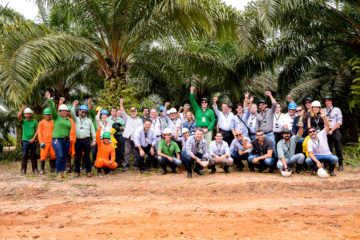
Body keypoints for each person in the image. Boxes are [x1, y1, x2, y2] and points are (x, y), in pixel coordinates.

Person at [305, 109, 338, 176]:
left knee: (335, 159)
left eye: (313, 131)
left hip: (327, 154)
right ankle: (315, 170)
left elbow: (328, 126)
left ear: (316, 131)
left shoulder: (321, 133)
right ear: (308, 134)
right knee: (308, 160)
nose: (312, 133)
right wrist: (318, 162)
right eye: (310, 132)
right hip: (317, 156)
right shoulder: (309, 141)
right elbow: (310, 154)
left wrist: (324, 117)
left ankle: (331, 170)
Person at [46, 92, 72, 179]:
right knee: (60, 155)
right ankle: (58, 173)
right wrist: (49, 100)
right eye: (62, 110)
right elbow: (53, 109)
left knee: (64, 156)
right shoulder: (56, 117)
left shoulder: (68, 120)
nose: (64, 112)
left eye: (65, 110)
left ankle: (63, 173)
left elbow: (69, 130)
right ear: (59, 111)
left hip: (66, 140)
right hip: (57, 140)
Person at [71, 101, 96, 177]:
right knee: (77, 157)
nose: (84, 113)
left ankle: (88, 171)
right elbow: (72, 113)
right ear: (79, 111)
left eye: (85, 112)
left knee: (87, 157)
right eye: (82, 111)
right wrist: (74, 105)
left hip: (86, 140)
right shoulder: (76, 119)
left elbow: (93, 131)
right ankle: (77, 172)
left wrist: (94, 140)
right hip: (78, 140)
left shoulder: (89, 121)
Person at [120, 99, 144, 170]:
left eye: (134, 112)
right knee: (127, 153)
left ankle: (135, 166)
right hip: (127, 138)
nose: (133, 113)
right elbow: (122, 111)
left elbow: (141, 130)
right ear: (130, 113)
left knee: (135, 153)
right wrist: (121, 103)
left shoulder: (140, 120)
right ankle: (126, 166)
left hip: (136, 139)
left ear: (136, 113)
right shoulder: (127, 118)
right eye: (131, 112)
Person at [323, 95, 344, 171]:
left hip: (335, 130)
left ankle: (341, 164)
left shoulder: (337, 109)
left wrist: (332, 130)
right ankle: (331, 164)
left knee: (338, 147)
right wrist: (327, 130)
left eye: (329, 100)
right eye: (326, 101)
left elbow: (339, 122)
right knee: (328, 148)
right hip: (326, 130)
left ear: (331, 101)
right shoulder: (323, 110)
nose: (327, 102)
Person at [17, 105, 38, 174]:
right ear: (25, 114)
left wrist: (33, 138)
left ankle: (35, 169)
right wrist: (22, 109)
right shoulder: (23, 121)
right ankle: (23, 170)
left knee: (33, 155)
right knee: (24, 155)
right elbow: (18, 116)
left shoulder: (34, 122)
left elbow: (37, 131)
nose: (28, 114)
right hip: (25, 141)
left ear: (31, 114)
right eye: (26, 113)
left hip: (33, 141)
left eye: (29, 113)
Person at [256, 91, 277, 155]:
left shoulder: (270, 111)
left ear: (266, 105)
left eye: (263, 104)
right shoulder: (258, 115)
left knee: (273, 149)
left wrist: (270, 95)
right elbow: (257, 126)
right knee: (263, 150)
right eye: (260, 105)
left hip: (270, 134)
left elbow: (274, 104)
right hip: (262, 135)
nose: (261, 106)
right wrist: (257, 135)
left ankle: (276, 163)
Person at [58, 98, 76, 173]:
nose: (68, 112)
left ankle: (75, 166)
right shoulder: (63, 119)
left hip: (74, 138)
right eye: (67, 111)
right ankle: (68, 167)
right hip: (67, 138)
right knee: (67, 153)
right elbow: (58, 112)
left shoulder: (74, 119)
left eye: (69, 111)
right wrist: (60, 102)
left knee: (74, 153)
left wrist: (74, 105)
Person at [37, 108, 56, 174]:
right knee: (43, 156)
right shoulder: (41, 123)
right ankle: (42, 169)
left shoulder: (53, 123)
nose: (48, 116)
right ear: (44, 115)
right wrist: (41, 142)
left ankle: (52, 168)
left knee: (53, 155)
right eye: (46, 114)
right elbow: (39, 133)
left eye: (49, 114)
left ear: (50, 115)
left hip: (52, 142)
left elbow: (55, 132)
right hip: (44, 142)